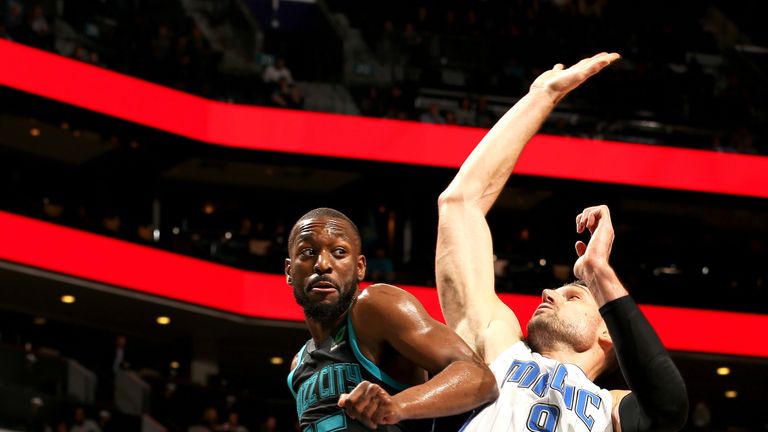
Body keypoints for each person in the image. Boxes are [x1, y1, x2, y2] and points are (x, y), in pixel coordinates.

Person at [435, 52, 689, 431]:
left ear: (607, 331)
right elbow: (459, 204)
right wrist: (541, 96)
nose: (547, 293)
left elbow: (670, 407)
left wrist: (598, 273)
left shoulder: (613, 409)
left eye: (573, 296)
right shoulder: (499, 345)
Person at [285, 208, 497, 431]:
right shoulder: (297, 366)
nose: (322, 264)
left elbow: (479, 377)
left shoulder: (374, 307)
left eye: (339, 252)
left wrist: (397, 405)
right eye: (308, 252)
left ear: (359, 268)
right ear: (289, 270)